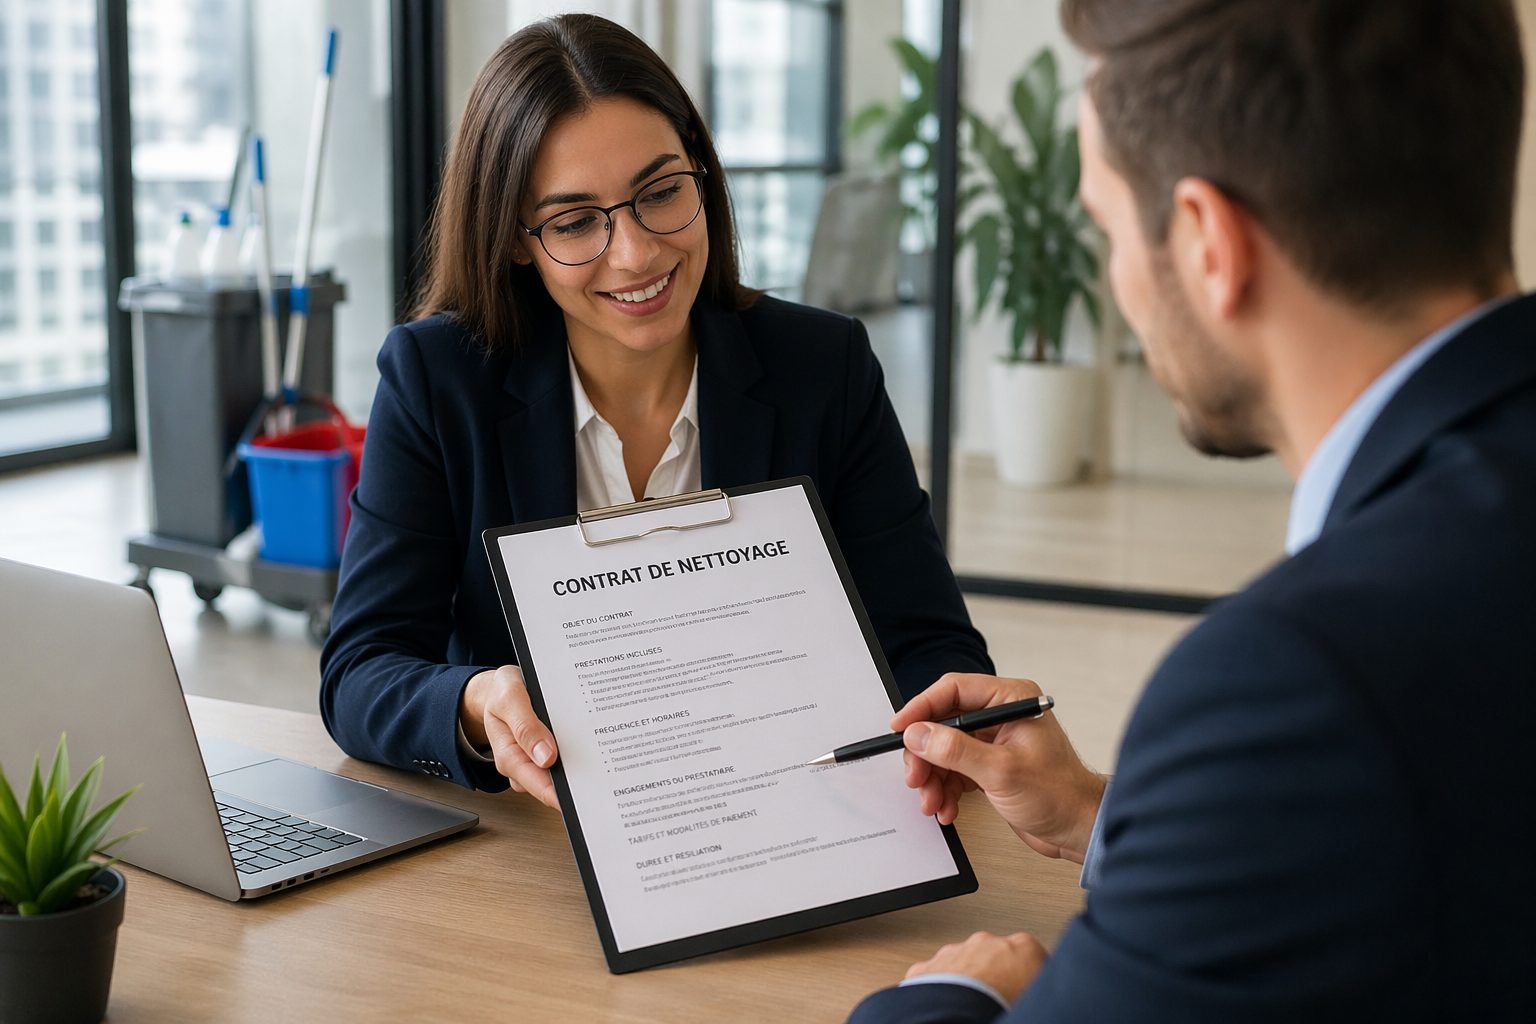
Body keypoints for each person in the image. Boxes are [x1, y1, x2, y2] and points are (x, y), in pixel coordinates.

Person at [850, 0, 1535, 1020]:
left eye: (1108, 227)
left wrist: (957, 991)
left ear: (1211, 242)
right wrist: (1105, 815)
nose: (1116, 277)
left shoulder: (1298, 675)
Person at [319, 14, 990, 804]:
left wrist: (927, 731)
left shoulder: (823, 365)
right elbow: (359, 673)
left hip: (793, 807)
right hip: (545, 836)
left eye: (662, 192)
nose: (637, 254)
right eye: (575, 222)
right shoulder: (437, 379)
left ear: (701, 174)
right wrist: (473, 705)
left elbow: (933, 647)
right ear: (515, 239)